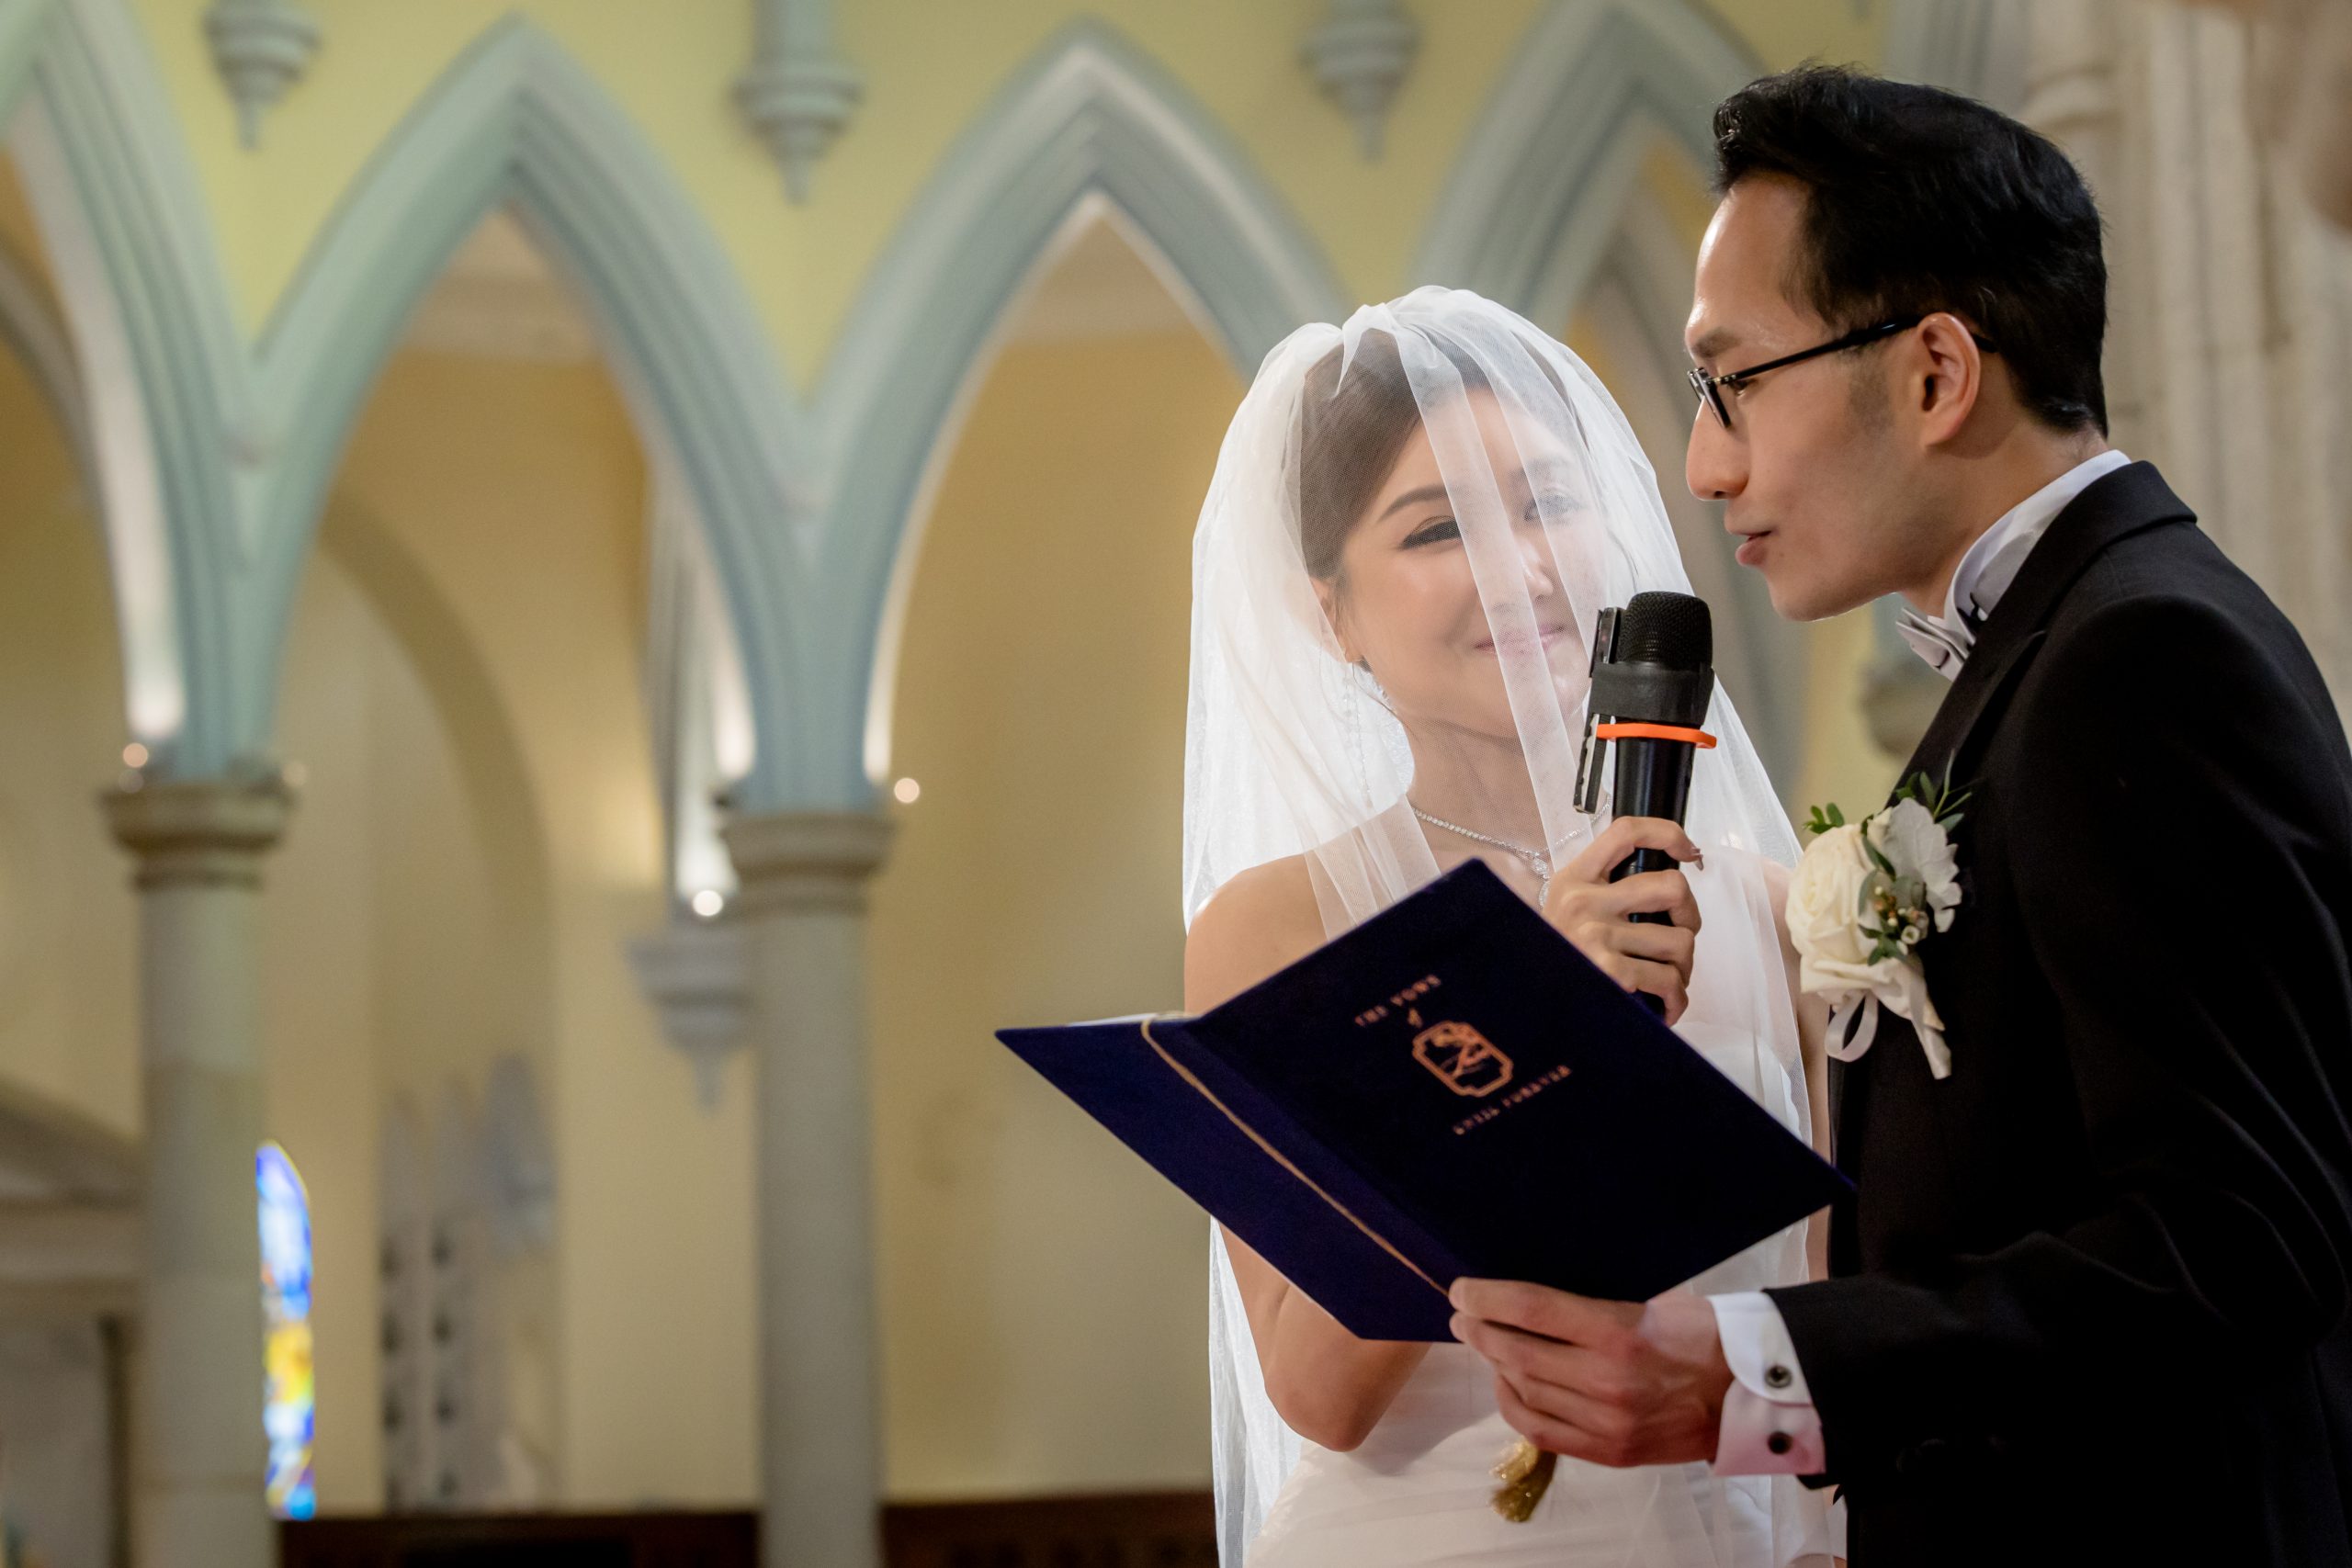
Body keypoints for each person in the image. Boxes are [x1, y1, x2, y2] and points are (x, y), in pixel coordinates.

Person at [1448, 65, 2352, 1566]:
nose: (1705, 465)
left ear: (1936, 372)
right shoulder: (2058, 651)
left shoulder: (2141, 656)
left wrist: (1759, 1376)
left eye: (1736, 381)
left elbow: (2240, 1237)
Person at [1182, 286, 1838, 1566]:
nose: (1517, 567)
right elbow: (1321, 1389)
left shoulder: (1774, 909)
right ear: (1332, 612)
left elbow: (1832, 1319)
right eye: (1438, 530)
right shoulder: (1281, 926)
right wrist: (1534, 1007)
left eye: (1546, 505)